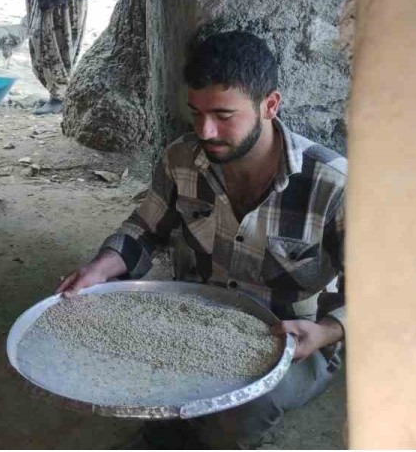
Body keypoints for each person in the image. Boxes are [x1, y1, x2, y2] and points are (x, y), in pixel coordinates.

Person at [57, 31, 346, 448]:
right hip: (195, 318)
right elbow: (143, 228)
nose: (206, 131)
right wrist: (101, 268)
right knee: (132, 368)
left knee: (239, 410)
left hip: (291, 340)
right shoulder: (182, 159)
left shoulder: (332, 185)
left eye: (223, 115)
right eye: (196, 114)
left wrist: (325, 332)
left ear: (270, 105)